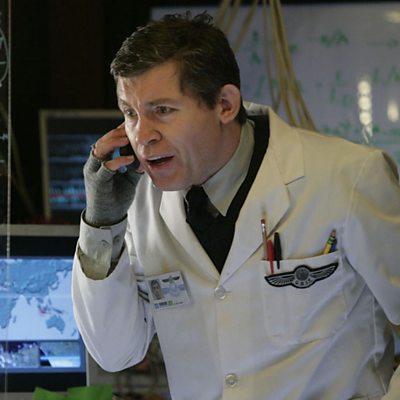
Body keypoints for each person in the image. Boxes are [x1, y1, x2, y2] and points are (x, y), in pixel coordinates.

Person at [72, 11, 400, 400]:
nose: (142, 136)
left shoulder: (349, 178)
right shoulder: (140, 202)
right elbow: (114, 352)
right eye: (130, 113)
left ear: (225, 105)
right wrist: (102, 224)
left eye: (163, 111)